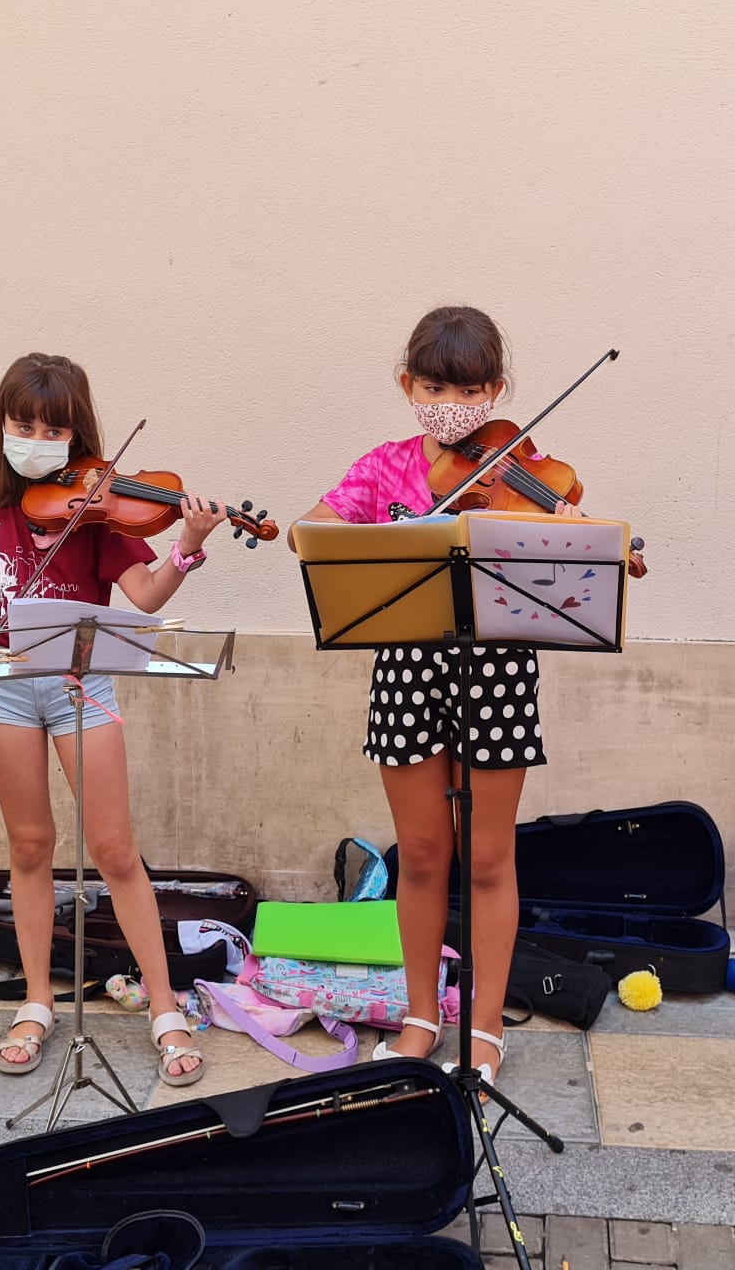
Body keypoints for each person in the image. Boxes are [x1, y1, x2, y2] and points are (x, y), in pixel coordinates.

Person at [294, 305, 639, 1087]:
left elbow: (577, 559)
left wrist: (585, 541)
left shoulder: (531, 471)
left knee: (488, 858)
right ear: (408, 384)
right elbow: (308, 533)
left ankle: (483, 1029)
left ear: (500, 389)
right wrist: (396, 532)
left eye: (474, 389)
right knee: (419, 854)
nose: (455, 403)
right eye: (438, 386)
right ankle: (421, 1017)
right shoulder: (384, 468)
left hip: (497, 674)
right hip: (408, 671)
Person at [0, 353, 225, 1086]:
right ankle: (39, 1000)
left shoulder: (97, 508)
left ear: (77, 435)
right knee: (30, 845)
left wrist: (188, 546)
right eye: (23, 425)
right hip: (4, 688)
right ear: (2, 425)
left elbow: (142, 594)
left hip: (83, 685)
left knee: (114, 849)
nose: (37, 437)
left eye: (53, 428)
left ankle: (164, 1007)